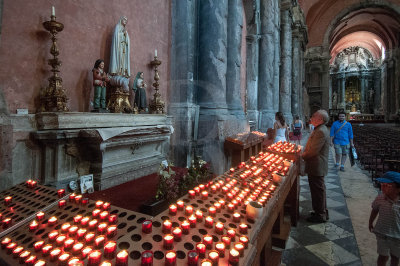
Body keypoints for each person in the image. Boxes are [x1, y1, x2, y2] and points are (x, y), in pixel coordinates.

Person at [301, 110, 330, 223]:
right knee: (318, 189)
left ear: (320, 120)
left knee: (318, 190)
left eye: (314, 116)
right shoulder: (319, 129)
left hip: (316, 165)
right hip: (316, 165)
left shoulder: (321, 131)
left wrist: (301, 156)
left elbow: (313, 151)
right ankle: (321, 211)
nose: (311, 117)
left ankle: (320, 214)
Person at [369, 171, 400, 266]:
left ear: (398, 189)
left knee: (395, 257)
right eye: (382, 184)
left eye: (387, 185)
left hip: (397, 236)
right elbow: (375, 210)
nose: (382, 187)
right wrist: (370, 222)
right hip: (382, 233)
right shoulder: (380, 198)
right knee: (383, 256)